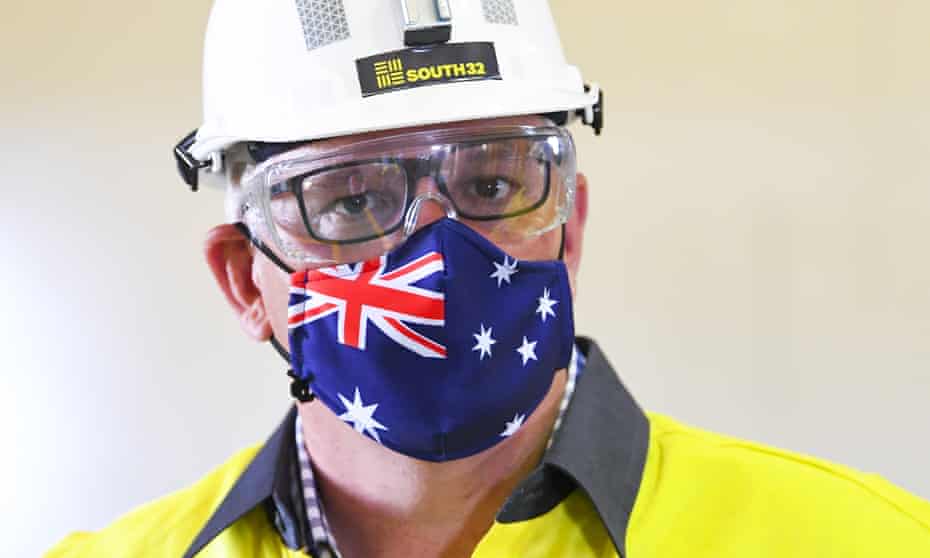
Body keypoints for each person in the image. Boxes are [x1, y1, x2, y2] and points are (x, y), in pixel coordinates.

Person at [48, 1, 930, 557]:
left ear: (569, 223)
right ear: (244, 279)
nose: (438, 249)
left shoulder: (862, 542)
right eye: (352, 200)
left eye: (492, 184)